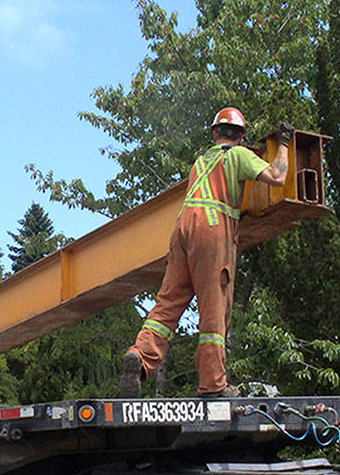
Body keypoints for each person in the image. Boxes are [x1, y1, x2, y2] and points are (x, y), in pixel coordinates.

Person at [119, 107, 292, 399]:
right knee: (214, 309)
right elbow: (276, 176)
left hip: (183, 229)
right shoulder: (238, 155)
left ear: (215, 133)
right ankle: (213, 385)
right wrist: (284, 145)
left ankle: (140, 358)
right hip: (213, 230)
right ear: (240, 136)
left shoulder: (200, 161)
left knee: (169, 303)